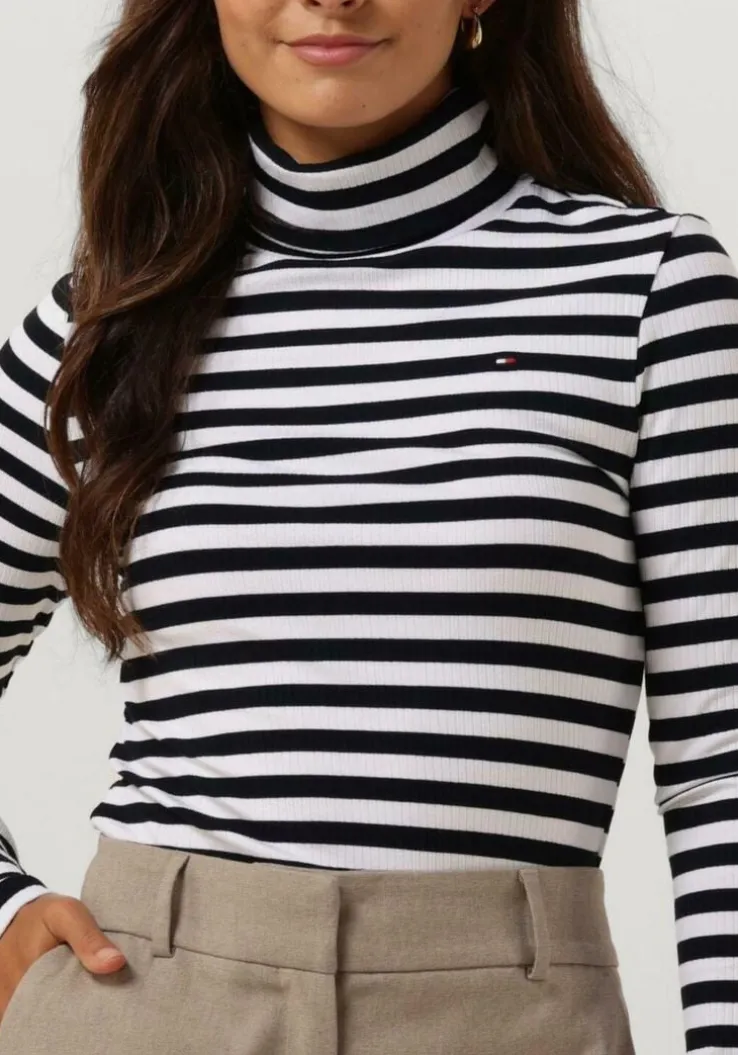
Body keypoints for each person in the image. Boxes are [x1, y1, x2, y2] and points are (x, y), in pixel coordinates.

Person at [0, 0, 736, 1052]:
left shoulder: (648, 296)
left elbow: (720, 762)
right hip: (150, 1001)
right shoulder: (103, 326)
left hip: (505, 1017)